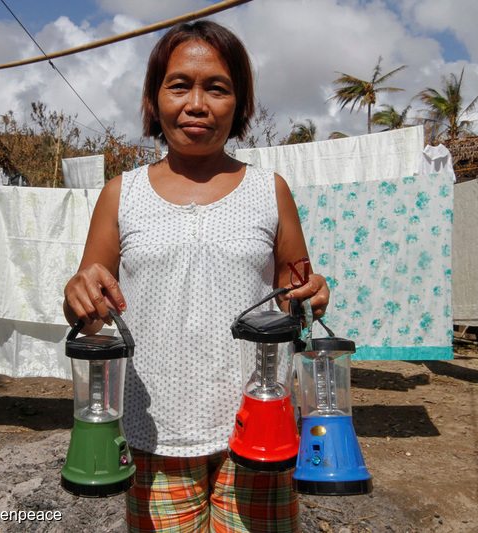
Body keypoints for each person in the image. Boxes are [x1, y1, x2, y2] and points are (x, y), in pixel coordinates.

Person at [63, 19, 329, 533]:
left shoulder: (269, 191)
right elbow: (89, 313)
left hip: (259, 428)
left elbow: (294, 300)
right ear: (153, 98)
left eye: (218, 88)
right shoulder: (122, 193)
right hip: (153, 432)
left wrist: (311, 296)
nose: (197, 104)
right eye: (180, 85)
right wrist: (77, 295)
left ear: (241, 103)